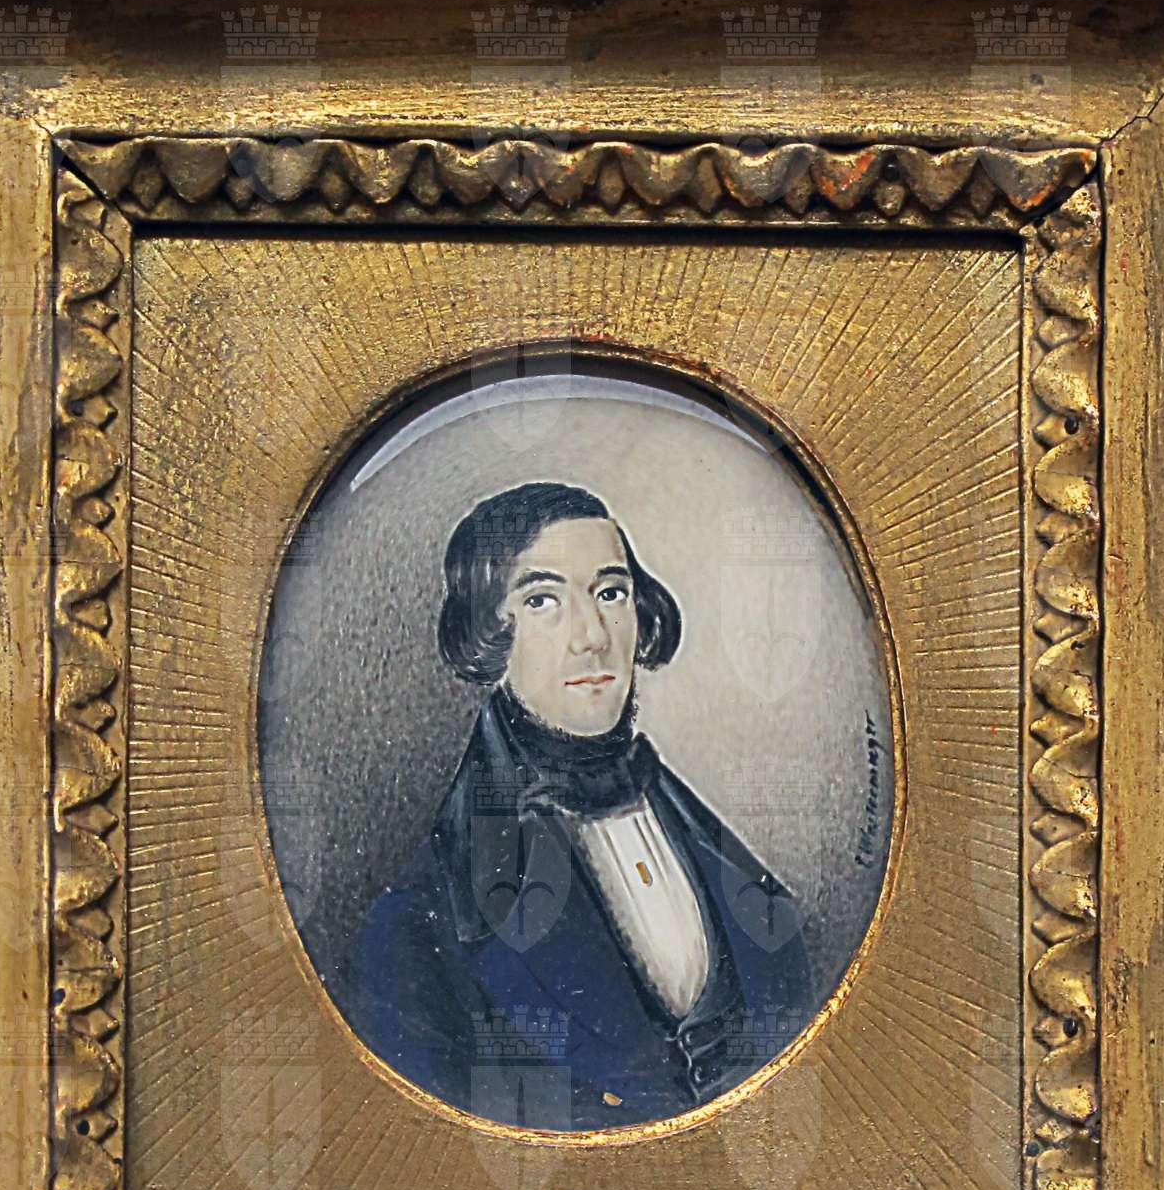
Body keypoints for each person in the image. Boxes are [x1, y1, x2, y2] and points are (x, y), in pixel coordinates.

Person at [345, 481, 813, 1132]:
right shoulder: (419, 928)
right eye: (542, 600)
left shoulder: (730, 864)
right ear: (488, 634)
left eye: (610, 593)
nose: (591, 636)